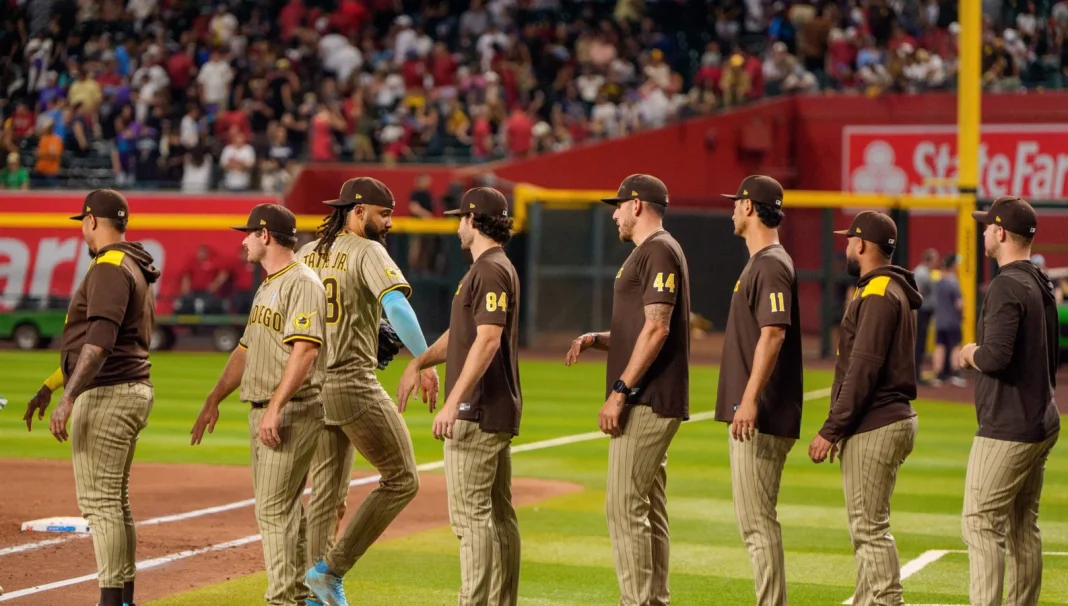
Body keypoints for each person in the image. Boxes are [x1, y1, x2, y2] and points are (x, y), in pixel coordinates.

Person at [297, 178, 439, 606]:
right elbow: (395, 305)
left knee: (325, 495)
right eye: (383, 213)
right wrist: (425, 360)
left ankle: (309, 595)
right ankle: (329, 571)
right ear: (357, 211)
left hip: (311, 385)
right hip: (351, 381)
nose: (390, 222)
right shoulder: (368, 250)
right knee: (402, 479)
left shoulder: (307, 253)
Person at [23, 189, 161, 606]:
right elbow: (94, 343)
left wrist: (69, 399)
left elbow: (98, 343)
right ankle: (123, 599)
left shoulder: (109, 266)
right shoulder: (133, 262)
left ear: (91, 221)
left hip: (108, 394)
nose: (82, 229)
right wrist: (51, 385)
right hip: (130, 389)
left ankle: (110, 601)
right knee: (114, 503)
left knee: (100, 507)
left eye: (82, 222)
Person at [563, 174, 691, 606]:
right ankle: (653, 600)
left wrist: (619, 391)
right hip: (649, 395)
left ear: (637, 205)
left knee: (623, 506)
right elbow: (642, 327)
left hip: (647, 398)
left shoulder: (657, 249)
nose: (614, 213)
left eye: (617, 205)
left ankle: (637, 602)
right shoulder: (652, 251)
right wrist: (600, 338)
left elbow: (657, 327)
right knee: (648, 507)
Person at [191, 203, 327, 606]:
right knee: (285, 512)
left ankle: (283, 599)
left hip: (290, 410)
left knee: (273, 511)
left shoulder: (301, 282)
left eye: (248, 233)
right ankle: (297, 596)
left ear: (265, 235)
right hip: (272, 408)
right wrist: (214, 397)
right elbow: (246, 349)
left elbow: (305, 352)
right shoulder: (269, 284)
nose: (244, 240)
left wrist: (275, 407)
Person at [396, 187, 522, 606]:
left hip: (478, 410)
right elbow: (462, 336)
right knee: (499, 517)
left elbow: (486, 341)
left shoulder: (488, 270)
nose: (455, 225)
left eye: (459, 218)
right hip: (492, 408)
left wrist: (453, 402)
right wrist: (420, 361)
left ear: (473, 221)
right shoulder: (492, 268)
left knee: (472, 519)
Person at [809, 211, 921, 606]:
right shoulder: (891, 289)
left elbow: (863, 369)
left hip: (876, 420)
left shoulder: (876, 294)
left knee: (869, 529)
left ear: (861, 245)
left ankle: (888, 602)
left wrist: (832, 428)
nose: (846, 246)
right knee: (868, 527)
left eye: (849, 240)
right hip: (887, 418)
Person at [959, 196, 1060, 606]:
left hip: (1009, 426)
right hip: (1040, 419)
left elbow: (996, 357)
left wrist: (969, 353)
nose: (984, 231)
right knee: (1022, 527)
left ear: (1000, 233)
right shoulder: (1039, 280)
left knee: (980, 523)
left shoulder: (1005, 284)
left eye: (987, 226)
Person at [715, 175, 803, 606]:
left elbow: (773, 334)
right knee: (756, 522)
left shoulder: (770, 263)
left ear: (750, 207)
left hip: (761, 414)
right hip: (759, 412)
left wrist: (748, 400)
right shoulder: (763, 262)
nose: (732, 209)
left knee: (756, 524)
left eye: (736, 202)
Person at [932, 253, 966, 387]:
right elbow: (959, 303)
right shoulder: (953, 282)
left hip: (939, 320)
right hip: (952, 320)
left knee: (940, 346)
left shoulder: (938, 281)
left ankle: (939, 374)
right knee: (955, 347)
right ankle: (955, 373)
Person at [912, 248, 939, 383]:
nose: (936, 262)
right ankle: (916, 375)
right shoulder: (922, 273)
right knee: (919, 344)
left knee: (920, 344)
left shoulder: (924, 272)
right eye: (935, 259)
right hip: (921, 313)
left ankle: (917, 374)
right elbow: (917, 293)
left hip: (924, 312)